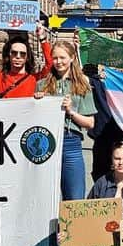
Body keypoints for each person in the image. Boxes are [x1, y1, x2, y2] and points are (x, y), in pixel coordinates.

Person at [39, 40, 96, 201]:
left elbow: (90, 123)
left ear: (72, 58)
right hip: (46, 143)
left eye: (62, 57)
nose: (59, 62)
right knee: (46, 197)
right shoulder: (41, 85)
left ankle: (72, 227)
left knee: (74, 197)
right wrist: (37, 103)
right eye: (55, 58)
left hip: (71, 142)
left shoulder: (82, 84)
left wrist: (71, 112)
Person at [0, 22, 53, 99]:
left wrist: (42, 38)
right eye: (14, 53)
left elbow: (51, 64)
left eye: (22, 54)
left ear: (27, 57)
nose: (18, 56)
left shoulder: (34, 79)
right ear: (9, 55)